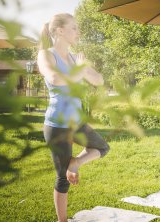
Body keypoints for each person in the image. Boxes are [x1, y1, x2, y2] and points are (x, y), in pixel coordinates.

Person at [37, 13, 110, 222]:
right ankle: (62, 221)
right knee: (62, 180)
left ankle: (75, 162)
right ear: (60, 31)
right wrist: (79, 71)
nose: (78, 32)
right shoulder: (46, 55)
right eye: (74, 28)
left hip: (77, 123)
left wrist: (83, 69)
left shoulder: (73, 58)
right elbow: (54, 78)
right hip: (57, 126)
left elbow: (99, 79)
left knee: (102, 147)